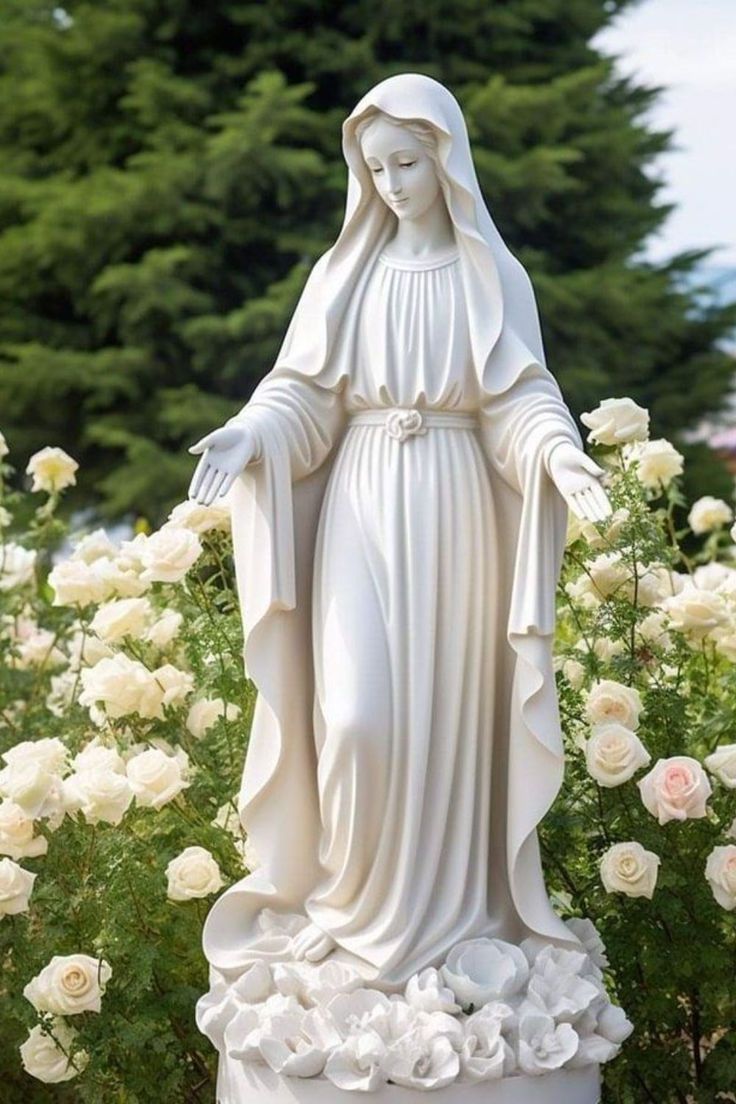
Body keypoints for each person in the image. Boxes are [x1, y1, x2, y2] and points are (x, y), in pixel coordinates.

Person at [188, 74, 611, 1001]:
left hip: (456, 510)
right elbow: (301, 396)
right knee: (358, 718)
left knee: (447, 716)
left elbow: (519, 399)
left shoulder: (491, 276)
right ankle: (346, 908)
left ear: (446, 158)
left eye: (407, 163)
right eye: (374, 167)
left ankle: (453, 922)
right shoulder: (343, 276)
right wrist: (250, 434)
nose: (390, 183)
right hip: (363, 502)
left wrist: (561, 455)